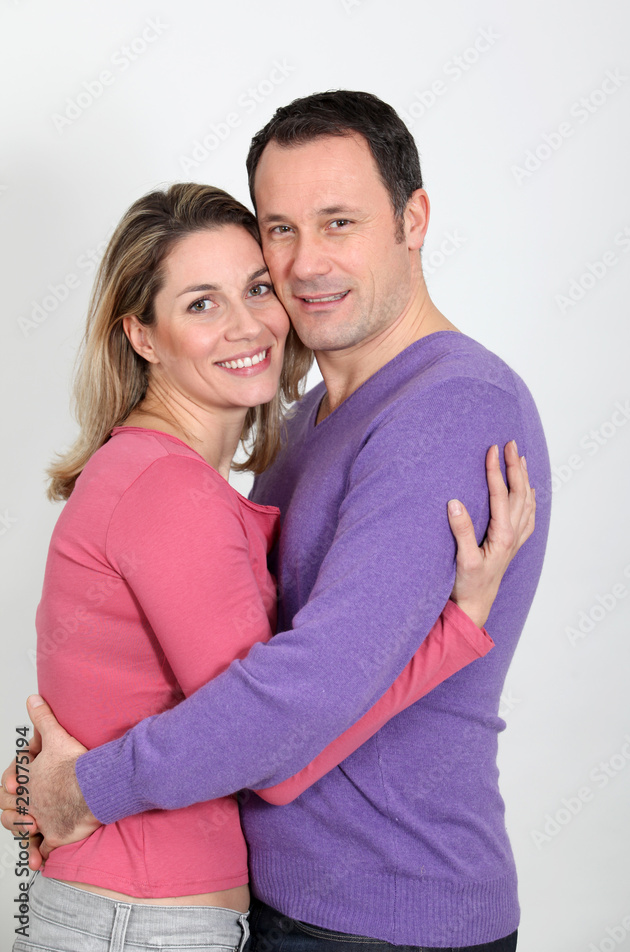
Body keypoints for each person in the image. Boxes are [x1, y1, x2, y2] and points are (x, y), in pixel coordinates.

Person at [2, 91, 549, 951]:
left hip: (386, 915)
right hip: (264, 907)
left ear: (413, 219)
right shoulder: (298, 425)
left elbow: (298, 702)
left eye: (339, 222)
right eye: (281, 230)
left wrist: (81, 787)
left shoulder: (450, 408)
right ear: (142, 335)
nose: (303, 266)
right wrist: (58, 774)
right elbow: (235, 682)